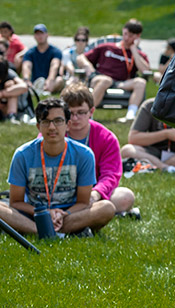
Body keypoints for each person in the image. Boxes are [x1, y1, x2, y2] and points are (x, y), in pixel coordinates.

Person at [0, 98, 113, 237]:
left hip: (69, 215)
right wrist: (44, 213)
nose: (52, 127)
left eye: (58, 121)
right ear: (38, 126)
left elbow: (83, 202)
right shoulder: (22, 154)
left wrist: (65, 214)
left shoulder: (84, 154)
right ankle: (48, 232)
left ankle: (44, 231)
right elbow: (16, 202)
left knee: (106, 208)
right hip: (33, 214)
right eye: (46, 122)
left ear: (68, 125)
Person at [60, 84, 137, 216]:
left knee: (125, 196)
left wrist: (95, 194)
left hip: (93, 192)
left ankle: (87, 211)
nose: (75, 118)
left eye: (81, 112)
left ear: (91, 111)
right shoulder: (54, 132)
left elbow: (111, 174)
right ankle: (93, 214)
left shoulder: (107, 138)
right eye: (70, 113)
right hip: (58, 190)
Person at [84, 20, 151, 122]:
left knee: (141, 82)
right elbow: (81, 58)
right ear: (123, 31)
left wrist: (133, 49)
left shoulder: (139, 54)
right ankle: (87, 114)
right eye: (125, 34)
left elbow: (145, 70)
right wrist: (88, 66)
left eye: (131, 36)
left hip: (121, 82)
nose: (127, 38)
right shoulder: (106, 47)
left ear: (138, 36)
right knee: (106, 80)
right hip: (100, 78)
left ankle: (130, 116)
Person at [20, 24, 64, 94]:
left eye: (42, 33)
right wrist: (26, 79)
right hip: (35, 81)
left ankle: (44, 90)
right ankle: (38, 89)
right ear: (34, 36)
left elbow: (55, 65)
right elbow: (26, 66)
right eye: (37, 34)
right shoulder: (30, 52)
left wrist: (50, 80)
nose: (40, 36)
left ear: (47, 35)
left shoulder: (55, 51)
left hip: (51, 81)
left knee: (59, 80)